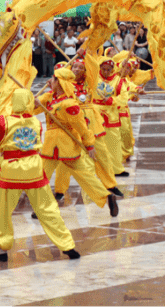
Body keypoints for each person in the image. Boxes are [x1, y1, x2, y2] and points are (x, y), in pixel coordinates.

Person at [0, 89, 81, 262]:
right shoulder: (36, 122)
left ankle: (3, 249)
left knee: (4, 212)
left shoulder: (2, 122)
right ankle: (68, 246)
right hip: (33, 169)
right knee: (48, 209)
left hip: (11, 171)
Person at [35, 67, 118, 217]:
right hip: (51, 146)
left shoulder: (70, 104)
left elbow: (82, 127)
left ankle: (106, 196)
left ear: (59, 82)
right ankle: (106, 196)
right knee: (78, 176)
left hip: (65, 145)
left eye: (53, 79)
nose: (50, 81)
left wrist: (90, 144)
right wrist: (33, 100)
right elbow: (32, 107)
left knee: (42, 176)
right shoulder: (50, 97)